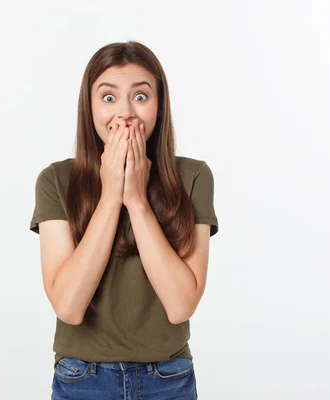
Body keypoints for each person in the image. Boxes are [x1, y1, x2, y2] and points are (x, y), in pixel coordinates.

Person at [29, 40, 218, 400]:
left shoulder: (193, 177)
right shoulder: (55, 180)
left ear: (159, 106)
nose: (126, 113)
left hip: (168, 378)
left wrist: (136, 199)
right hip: (82, 377)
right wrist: (112, 194)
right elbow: (68, 306)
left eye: (141, 97)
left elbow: (181, 305)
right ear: (90, 107)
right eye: (109, 97)